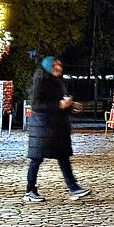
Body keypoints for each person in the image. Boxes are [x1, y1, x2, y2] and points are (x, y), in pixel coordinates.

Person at [23, 56, 91, 203]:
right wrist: (59, 105)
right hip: (42, 127)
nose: (58, 68)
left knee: (63, 157)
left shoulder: (57, 82)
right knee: (36, 159)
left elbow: (60, 101)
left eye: (59, 65)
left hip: (56, 127)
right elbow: (37, 105)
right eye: (55, 66)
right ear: (48, 68)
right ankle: (30, 190)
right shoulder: (40, 82)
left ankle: (73, 188)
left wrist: (71, 106)